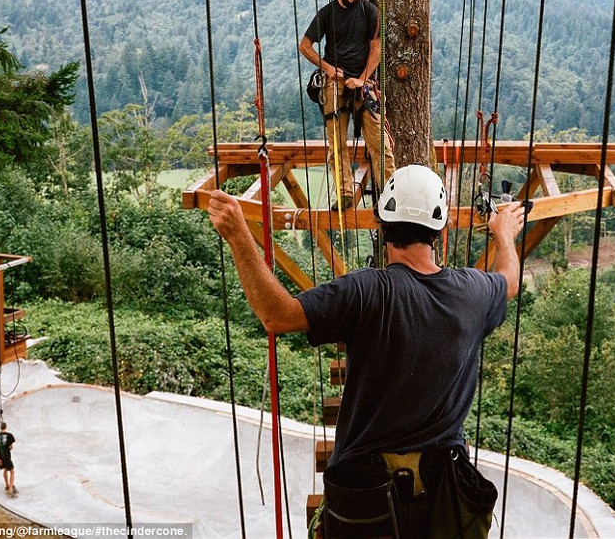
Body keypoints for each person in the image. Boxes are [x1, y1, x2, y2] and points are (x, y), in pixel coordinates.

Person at [208, 164, 525, 537]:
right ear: (439, 231)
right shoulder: (472, 292)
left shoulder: (366, 291)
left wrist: (239, 235)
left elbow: (277, 315)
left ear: (383, 226)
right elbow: (509, 281)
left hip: (367, 497)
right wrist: (504, 234)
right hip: (444, 497)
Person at [299, 0, 396, 210]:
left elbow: (377, 48)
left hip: (362, 84)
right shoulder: (327, 13)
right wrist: (328, 68)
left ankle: (391, 196)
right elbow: (305, 46)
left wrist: (363, 79)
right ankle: (344, 193)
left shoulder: (370, 12)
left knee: (379, 142)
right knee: (337, 143)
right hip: (335, 82)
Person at [0, 421, 16, 496]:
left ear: (0, 427)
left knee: (5, 470)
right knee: (12, 472)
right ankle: (10, 489)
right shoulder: (9, 435)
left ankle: (7, 485)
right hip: (6, 456)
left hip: (0, 457)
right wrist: (9, 447)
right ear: (6, 427)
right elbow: (10, 447)